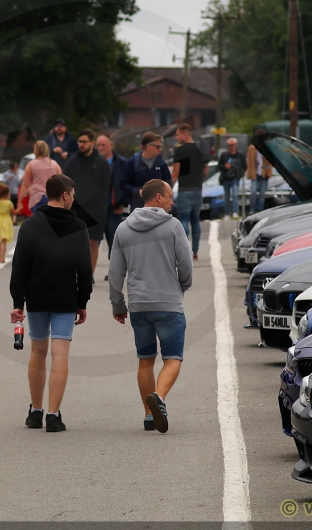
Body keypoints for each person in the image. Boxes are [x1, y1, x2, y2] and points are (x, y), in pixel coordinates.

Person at [108, 179, 192, 433]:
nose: (171, 201)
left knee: (145, 360)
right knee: (173, 358)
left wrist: (117, 304)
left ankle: (148, 415)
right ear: (158, 198)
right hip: (168, 304)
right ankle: (160, 398)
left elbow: (114, 272)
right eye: (169, 196)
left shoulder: (123, 228)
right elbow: (185, 263)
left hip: (139, 305)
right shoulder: (173, 226)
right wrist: (182, 286)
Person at [9, 174, 91, 433]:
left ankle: (35, 411)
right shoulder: (78, 227)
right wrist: (82, 300)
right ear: (65, 195)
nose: (74, 199)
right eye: (73, 194)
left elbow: (20, 267)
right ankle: (54, 415)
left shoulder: (30, 226)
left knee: (38, 351)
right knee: (60, 353)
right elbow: (84, 270)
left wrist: (17, 302)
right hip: (65, 299)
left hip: (37, 298)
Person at [64, 129, 111, 272]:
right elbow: (65, 183)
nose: (81, 144)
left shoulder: (102, 163)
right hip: (75, 208)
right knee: (73, 243)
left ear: (92, 142)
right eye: (79, 141)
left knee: (92, 242)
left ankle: (88, 275)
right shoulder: (72, 162)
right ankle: (74, 272)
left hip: (95, 210)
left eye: (84, 141)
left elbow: (107, 186)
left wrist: (102, 206)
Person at [170, 124, 204, 260]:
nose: (176, 137)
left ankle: (186, 251)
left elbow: (176, 171)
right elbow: (205, 169)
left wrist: (170, 188)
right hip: (198, 190)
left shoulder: (180, 151)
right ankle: (195, 251)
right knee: (195, 220)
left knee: (184, 220)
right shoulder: (200, 149)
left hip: (184, 190)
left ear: (185, 134)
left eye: (177, 134)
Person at [95, 134, 127, 266]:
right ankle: (88, 273)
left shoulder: (121, 163)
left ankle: (114, 272)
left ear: (111, 145)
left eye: (103, 145)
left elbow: (126, 184)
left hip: (113, 209)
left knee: (114, 242)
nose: (100, 148)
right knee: (91, 243)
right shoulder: (92, 163)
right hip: (95, 210)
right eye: (98, 145)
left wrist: (123, 204)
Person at [120, 132, 171, 212]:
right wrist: (138, 192)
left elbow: (168, 182)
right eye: (158, 147)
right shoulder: (133, 162)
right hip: (138, 207)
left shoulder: (161, 163)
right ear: (148, 146)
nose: (160, 149)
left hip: (158, 208)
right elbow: (123, 184)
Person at [18, 141, 62, 214]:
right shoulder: (55, 164)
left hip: (37, 196)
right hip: (52, 197)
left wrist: (19, 202)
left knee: (38, 222)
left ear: (36, 150)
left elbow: (25, 185)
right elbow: (61, 182)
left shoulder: (31, 165)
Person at [217, 138, 246, 218]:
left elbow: (244, 166)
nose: (231, 147)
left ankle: (235, 212)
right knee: (226, 196)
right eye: (229, 145)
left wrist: (240, 174)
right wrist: (224, 166)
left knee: (235, 195)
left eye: (232, 145)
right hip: (226, 178)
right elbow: (219, 166)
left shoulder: (240, 156)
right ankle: (227, 213)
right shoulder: (224, 155)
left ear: (235, 145)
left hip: (235, 178)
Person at [246, 136, 273, 214]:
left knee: (262, 194)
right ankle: (252, 209)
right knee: (253, 192)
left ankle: (259, 210)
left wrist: (269, 171)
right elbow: (249, 160)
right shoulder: (252, 148)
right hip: (255, 173)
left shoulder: (267, 148)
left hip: (264, 173)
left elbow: (270, 161)